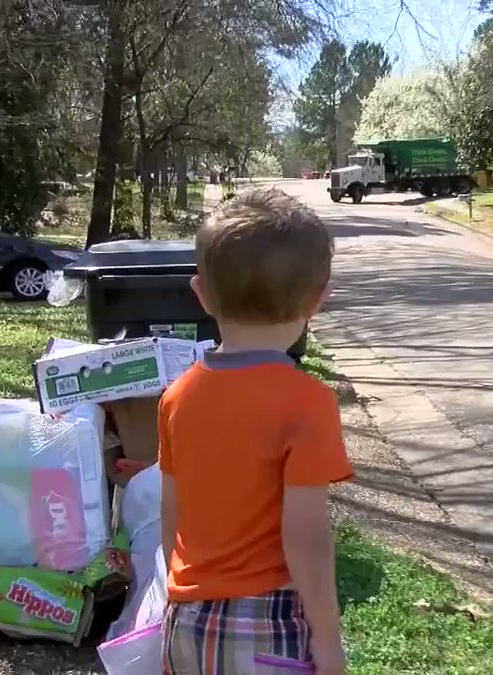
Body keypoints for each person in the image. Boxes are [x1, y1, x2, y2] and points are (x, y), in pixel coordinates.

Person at [159, 189, 351, 675]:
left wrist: (171, 591)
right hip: (267, 625)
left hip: (185, 620)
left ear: (200, 293)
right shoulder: (308, 403)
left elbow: (171, 513)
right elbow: (305, 535)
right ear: (318, 300)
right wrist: (327, 637)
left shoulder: (177, 396)